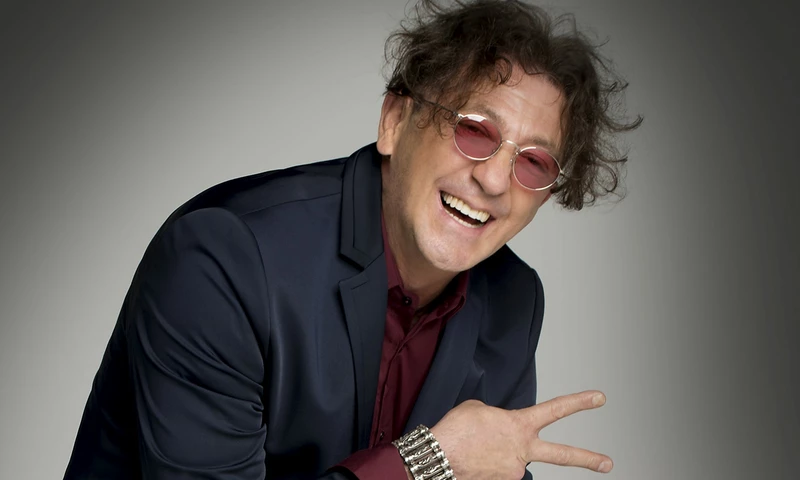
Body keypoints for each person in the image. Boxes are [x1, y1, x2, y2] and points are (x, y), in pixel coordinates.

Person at [64, 0, 641, 478]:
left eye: (534, 163)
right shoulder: (223, 257)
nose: (493, 180)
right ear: (394, 121)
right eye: (474, 130)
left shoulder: (514, 299)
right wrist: (428, 462)